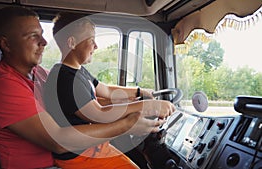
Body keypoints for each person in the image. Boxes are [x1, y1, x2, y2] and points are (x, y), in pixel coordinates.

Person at [0, 6, 175, 169]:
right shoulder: (2, 86)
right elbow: (59, 141)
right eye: (32, 36)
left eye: (42, 35)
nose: (44, 42)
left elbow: (88, 100)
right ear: (6, 44)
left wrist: (135, 99)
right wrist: (127, 123)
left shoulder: (39, 74)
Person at [43, 12, 176, 169]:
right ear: (72, 42)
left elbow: (105, 90)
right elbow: (99, 114)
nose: (96, 46)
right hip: (79, 156)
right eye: (91, 40)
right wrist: (148, 106)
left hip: (93, 147)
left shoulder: (78, 71)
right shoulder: (65, 79)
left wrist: (139, 92)